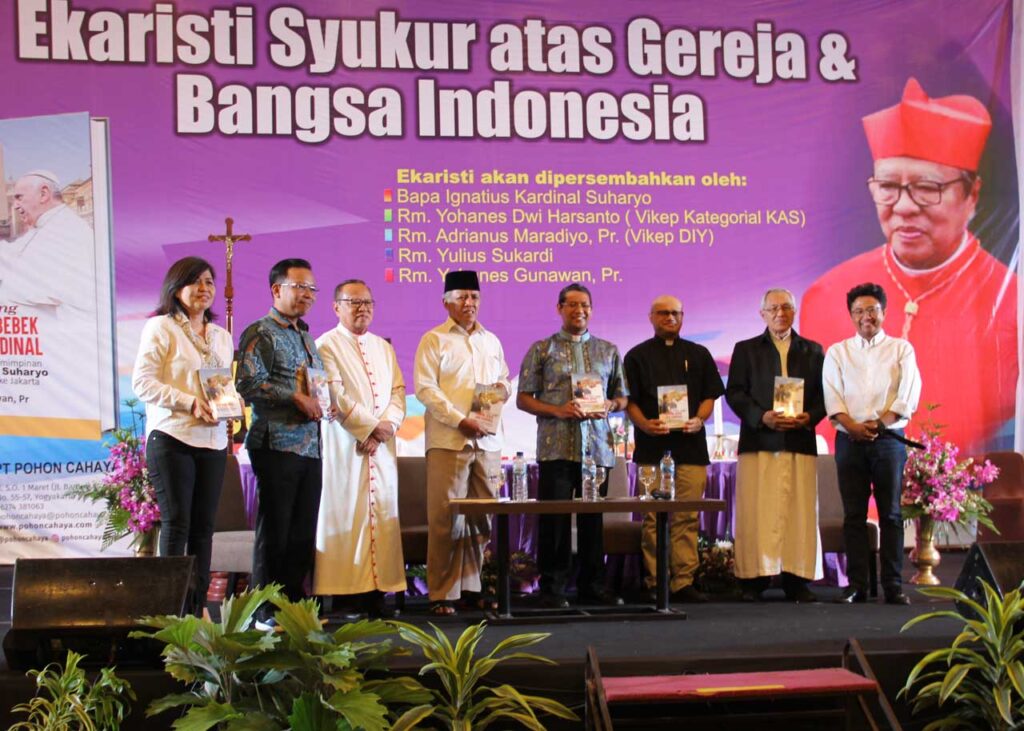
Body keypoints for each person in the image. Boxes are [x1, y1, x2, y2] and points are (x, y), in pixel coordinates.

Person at [801, 78, 1018, 455]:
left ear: (972, 195)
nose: (903, 206)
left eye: (927, 188)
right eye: (888, 186)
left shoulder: (1011, 302)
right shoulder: (826, 295)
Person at [131, 256, 235, 616]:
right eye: (196, 282)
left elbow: (223, 385)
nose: (204, 288)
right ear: (176, 289)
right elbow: (142, 383)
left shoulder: (221, 336)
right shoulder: (161, 327)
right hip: (172, 437)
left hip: (213, 441)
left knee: (204, 529)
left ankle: (197, 607)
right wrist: (189, 402)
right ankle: (170, 612)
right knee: (177, 525)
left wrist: (229, 405)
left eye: (209, 282)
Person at [518, 283, 628, 608]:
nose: (580, 311)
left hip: (598, 448)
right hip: (556, 447)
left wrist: (610, 405)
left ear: (591, 310)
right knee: (555, 520)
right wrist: (558, 410)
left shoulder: (608, 350)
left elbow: (623, 396)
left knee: (593, 519)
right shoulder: (542, 349)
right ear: (560, 308)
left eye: (585, 306)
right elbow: (523, 398)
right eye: (572, 305)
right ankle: (552, 588)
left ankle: (592, 586)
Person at [413, 270, 510, 616]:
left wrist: (502, 391)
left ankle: (472, 587)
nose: (469, 303)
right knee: (446, 519)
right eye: (462, 297)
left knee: (482, 518)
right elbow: (425, 389)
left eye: (474, 297)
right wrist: (460, 420)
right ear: (446, 302)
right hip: (449, 440)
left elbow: (503, 379)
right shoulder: (434, 340)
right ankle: (441, 592)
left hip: (488, 442)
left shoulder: (491, 340)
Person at [235, 258, 324, 626]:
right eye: (299, 287)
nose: (307, 294)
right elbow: (247, 383)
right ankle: (264, 610)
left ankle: (293, 607)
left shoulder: (306, 336)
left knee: (302, 532)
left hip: (311, 445)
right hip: (275, 445)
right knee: (276, 531)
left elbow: (314, 383)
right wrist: (295, 397)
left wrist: (324, 400)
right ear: (276, 289)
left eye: (311, 289)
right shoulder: (261, 332)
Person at [823, 282, 922, 606]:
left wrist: (878, 425)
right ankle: (857, 585)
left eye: (872, 310)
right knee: (853, 515)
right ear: (851, 315)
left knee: (891, 513)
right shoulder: (838, 352)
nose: (866, 316)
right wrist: (853, 427)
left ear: (884, 312)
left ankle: (893, 585)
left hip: (888, 440)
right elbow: (832, 397)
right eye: (859, 311)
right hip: (850, 440)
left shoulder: (901, 349)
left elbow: (906, 396)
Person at [725, 288, 826, 603]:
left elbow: (825, 395)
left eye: (786, 307)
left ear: (794, 311)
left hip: (799, 439)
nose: (780, 313)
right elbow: (735, 393)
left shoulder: (813, 350)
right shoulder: (746, 350)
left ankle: (797, 579)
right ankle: (754, 580)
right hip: (760, 441)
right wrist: (761, 416)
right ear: (762, 314)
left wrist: (810, 416)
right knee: (757, 511)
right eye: (773, 308)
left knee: (800, 512)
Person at [314, 279, 406, 619]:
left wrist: (386, 428)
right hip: (345, 444)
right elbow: (334, 394)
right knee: (347, 515)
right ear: (336, 307)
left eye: (367, 302)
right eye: (353, 302)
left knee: (381, 516)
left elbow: (398, 392)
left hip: (381, 447)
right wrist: (367, 427)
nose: (362, 308)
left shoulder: (383, 347)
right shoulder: (325, 344)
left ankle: (377, 595)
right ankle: (346, 597)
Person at [623, 295, 723, 604]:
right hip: (651, 449)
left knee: (686, 516)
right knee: (653, 518)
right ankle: (656, 581)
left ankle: (683, 581)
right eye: (663, 313)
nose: (670, 318)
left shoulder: (699, 353)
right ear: (651, 317)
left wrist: (699, 419)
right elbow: (629, 402)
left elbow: (709, 396)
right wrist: (644, 425)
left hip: (691, 448)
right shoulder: (636, 356)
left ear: (683, 316)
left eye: (676, 313)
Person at [0, 171, 95, 317]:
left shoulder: (66, 228)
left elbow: (42, 291)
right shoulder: (45, 224)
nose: (15, 205)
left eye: (19, 197)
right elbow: (11, 253)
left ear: (43, 194)